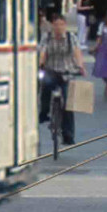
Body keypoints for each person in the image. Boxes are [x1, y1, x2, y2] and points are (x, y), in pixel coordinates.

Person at [37, 15, 86, 146]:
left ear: (65, 25)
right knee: (45, 85)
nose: (59, 27)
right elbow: (42, 52)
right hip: (51, 71)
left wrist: (80, 66)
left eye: (61, 24)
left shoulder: (71, 38)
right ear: (53, 25)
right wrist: (40, 64)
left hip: (67, 72)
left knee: (68, 104)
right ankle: (44, 112)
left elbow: (77, 53)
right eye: (56, 24)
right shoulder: (46, 38)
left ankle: (68, 134)